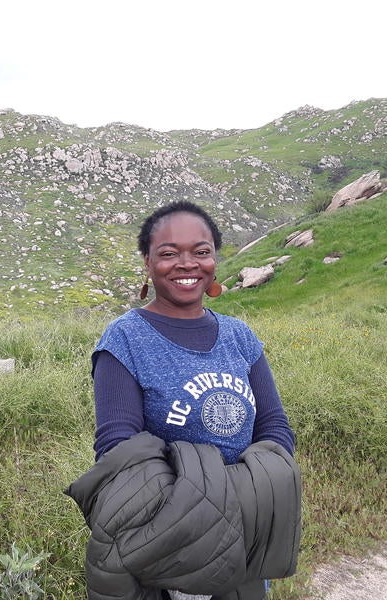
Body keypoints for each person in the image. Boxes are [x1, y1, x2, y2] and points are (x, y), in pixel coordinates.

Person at [90, 200, 296, 599]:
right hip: (176, 534)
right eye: (168, 254)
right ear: (148, 263)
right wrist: (201, 506)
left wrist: (252, 496)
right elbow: (118, 450)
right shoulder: (125, 339)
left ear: (215, 260)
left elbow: (274, 426)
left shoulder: (239, 336)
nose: (187, 264)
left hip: (250, 528)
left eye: (201, 252)